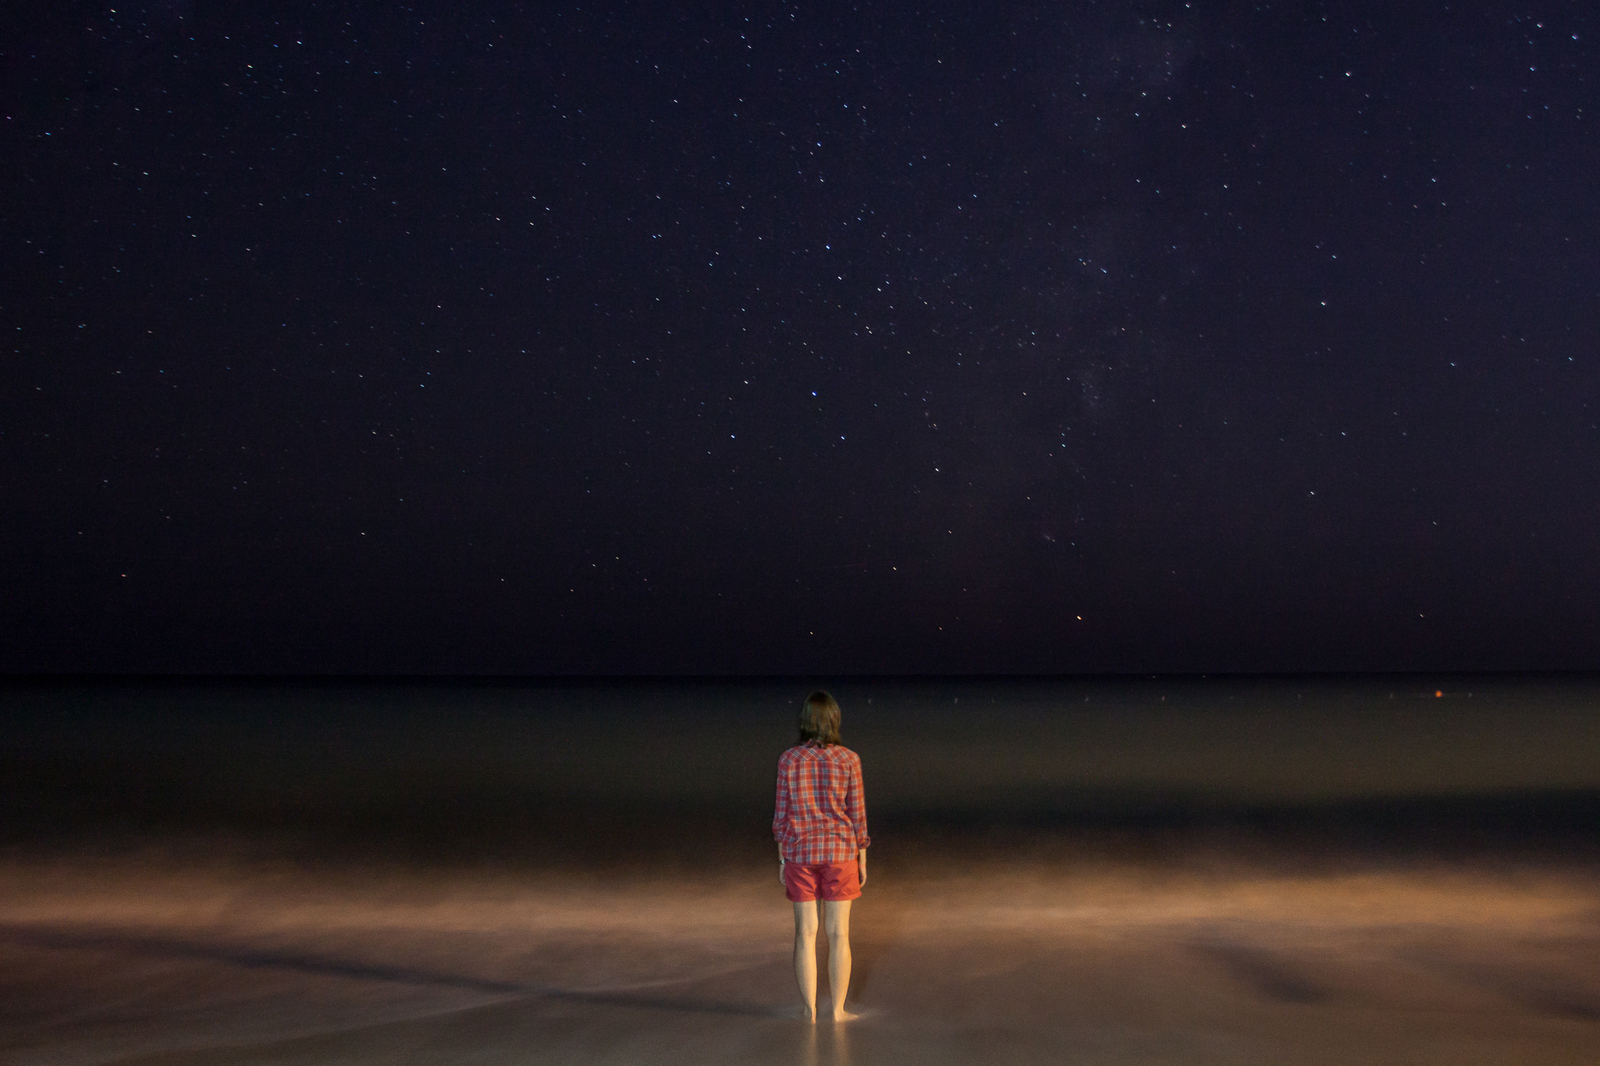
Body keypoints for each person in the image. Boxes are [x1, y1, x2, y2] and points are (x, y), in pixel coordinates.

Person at [773, 690, 870, 1023]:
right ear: (833, 720)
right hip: (841, 852)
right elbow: (857, 816)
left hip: (800, 851)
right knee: (839, 934)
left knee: (805, 934)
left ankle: (809, 1011)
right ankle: (839, 1012)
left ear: (804, 721)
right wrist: (862, 860)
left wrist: (783, 859)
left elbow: (781, 817)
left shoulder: (788, 760)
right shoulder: (849, 760)